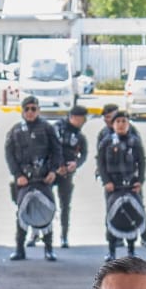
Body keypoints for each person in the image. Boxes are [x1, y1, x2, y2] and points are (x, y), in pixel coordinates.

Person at [5, 97, 63, 263]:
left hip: (43, 179)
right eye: (27, 109)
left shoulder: (47, 128)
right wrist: (17, 175)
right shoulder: (15, 131)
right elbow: (9, 155)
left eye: (33, 109)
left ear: (38, 110)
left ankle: (49, 249)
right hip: (25, 180)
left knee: (47, 211)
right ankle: (19, 249)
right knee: (22, 213)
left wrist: (53, 171)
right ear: (22, 111)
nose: (30, 112)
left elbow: (57, 151)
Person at [97, 110, 146, 259]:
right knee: (113, 216)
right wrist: (106, 181)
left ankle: (131, 250)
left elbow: (142, 161)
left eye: (123, 122)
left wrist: (140, 181)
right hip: (113, 186)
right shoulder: (106, 142)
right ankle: (111, 250)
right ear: (112, 124)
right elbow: (101, 163)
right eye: (117, 122)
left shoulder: (134, 141)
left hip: (130, 185)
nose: (120, 125)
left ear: (128, 124)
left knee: (131, 215)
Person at [50, 105, 88, 249]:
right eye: (79, 119)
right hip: (52, 172)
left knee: (65, 205)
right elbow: (51, 148)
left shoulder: (79, 135)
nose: (81, 122)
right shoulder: (56, 129)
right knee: (45, 203)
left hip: (67, 174)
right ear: (73, 117)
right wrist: (56, 166)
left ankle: (64, 236)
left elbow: (84, 154)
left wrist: (75, 164)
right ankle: (37, 233)